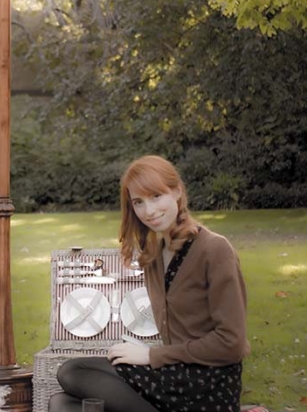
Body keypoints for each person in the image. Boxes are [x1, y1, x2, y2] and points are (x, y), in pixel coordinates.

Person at [49, 154, 251, 412]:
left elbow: (231, 344)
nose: (149, 211)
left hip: (206, 383)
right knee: (63, 401)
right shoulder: (155, 255)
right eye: (138, 202)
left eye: (156, 196)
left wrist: (150, 356)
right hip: (173, 373)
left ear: (177, 191)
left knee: (73, 372)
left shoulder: (214, 249)